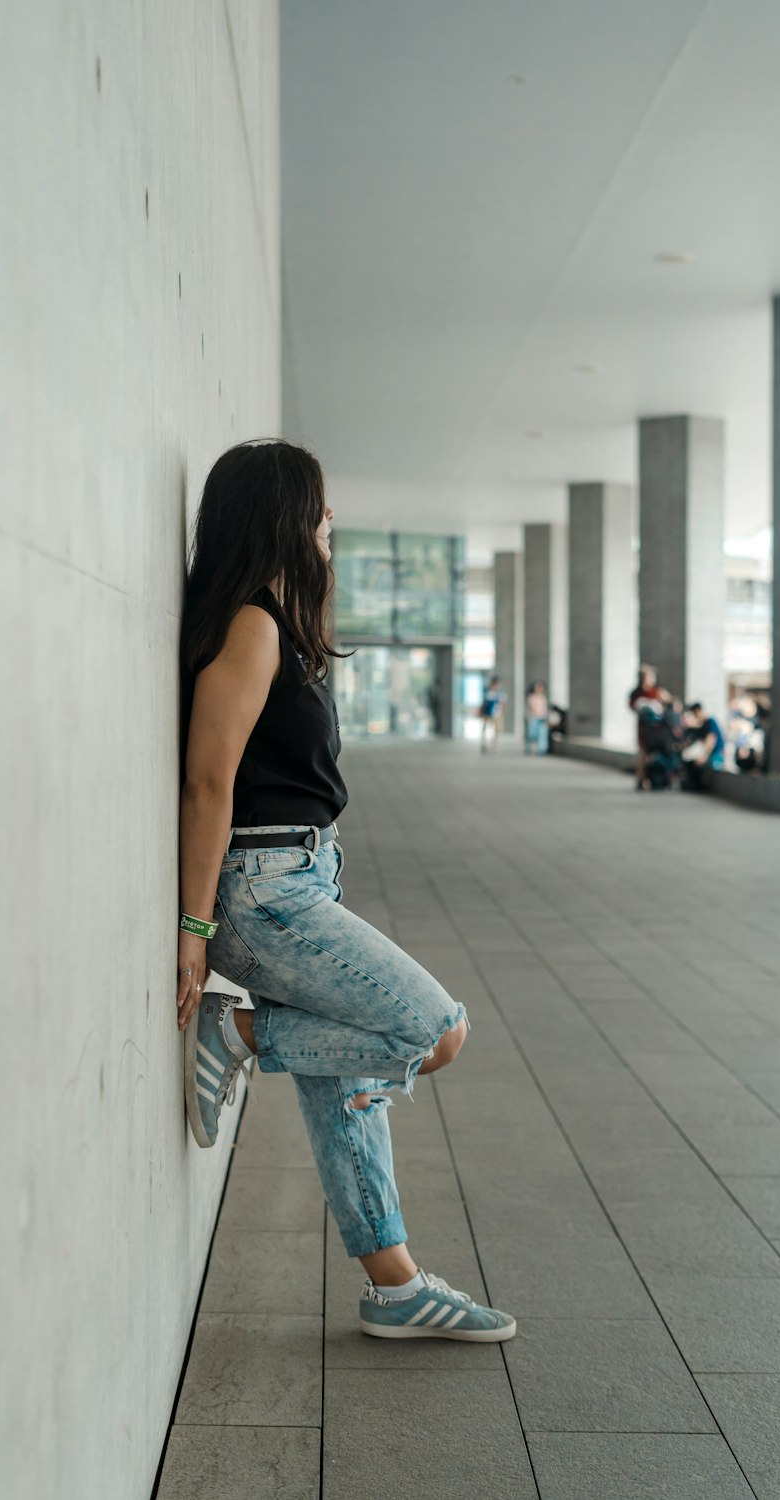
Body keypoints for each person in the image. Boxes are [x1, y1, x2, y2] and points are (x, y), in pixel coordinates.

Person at [177, 440, 515, 1342]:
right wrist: (194, 930)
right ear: (285, 515)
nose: (331, 522)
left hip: (299, 875)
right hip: (264, 890)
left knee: (349, 1075)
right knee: (436, 1030)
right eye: (320, 506)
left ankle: (395, 1285)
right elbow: (207, 783)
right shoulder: (251, 624)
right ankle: (239, 1030)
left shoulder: (279, 621)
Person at [629, 665, 663, 789]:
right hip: (644, 728)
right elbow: (633, 706)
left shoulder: (656, 692)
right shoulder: (638, 693)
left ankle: (649, 778)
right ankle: (641, 778)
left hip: (656, 728)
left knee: (650, 753)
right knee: (643, 753)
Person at [681, 701, 726, 791]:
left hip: (715, 753)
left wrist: (703, 757)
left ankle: (699, 786)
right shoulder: (701, 724)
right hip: (705, 751)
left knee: (697, 764)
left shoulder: (710, 722)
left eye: (694, 714)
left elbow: (711, 740)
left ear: (698, 711)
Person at [478, 674, 505, 752]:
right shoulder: (488, 691)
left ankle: (493, 744)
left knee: (498, 730)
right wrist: (481, 712)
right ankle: (485, 744)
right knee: (485, 729)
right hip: (487, 713)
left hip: (497, 714)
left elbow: (503, 704)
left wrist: (502, 712)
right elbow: (484, 703)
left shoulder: (501, 693)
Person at [525, 681, 550, 756]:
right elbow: (529, 708)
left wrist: (546, 718)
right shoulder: (531, 697)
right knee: (532, 734)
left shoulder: (543, 697)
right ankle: (530, 748)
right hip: (533, 718)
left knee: (542, 734)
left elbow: (545, 709)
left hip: (542, 718)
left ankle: (542, 749)